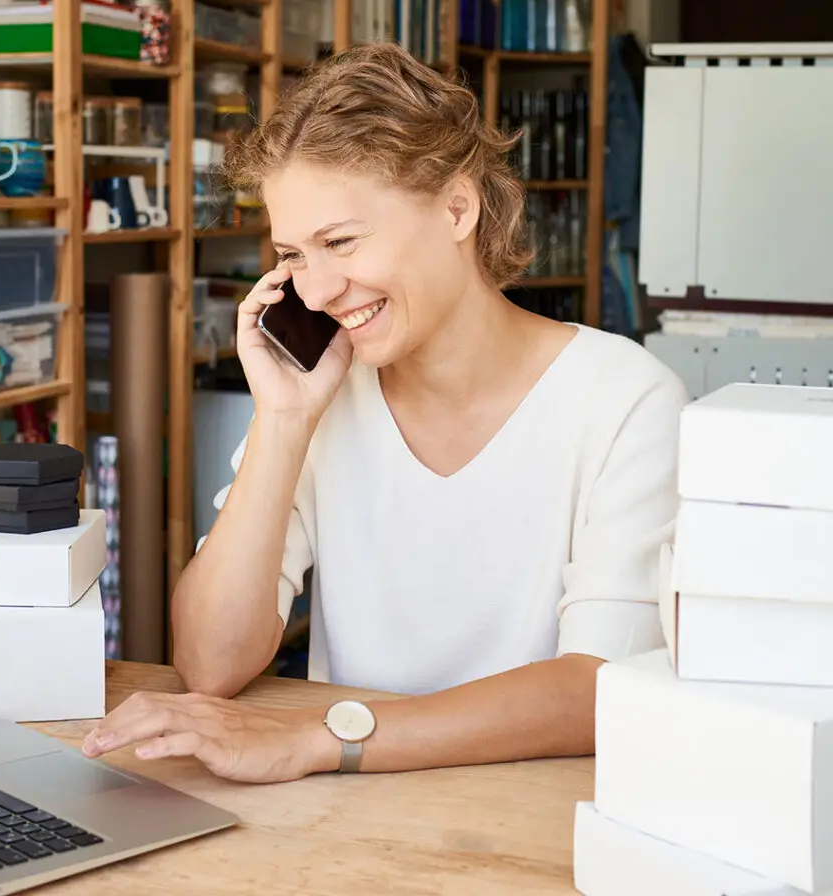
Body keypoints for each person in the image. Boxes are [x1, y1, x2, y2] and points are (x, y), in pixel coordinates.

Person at [81, 43, 688, 783]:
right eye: (293, 255)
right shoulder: (324, 396)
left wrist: (316, 738)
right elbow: (209, 664)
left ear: (458, 208)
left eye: (341, 242)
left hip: (532, 821)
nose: (317, 289)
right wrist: (283, 422)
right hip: (352, 820)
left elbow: (598, 687)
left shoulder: (627, 400)